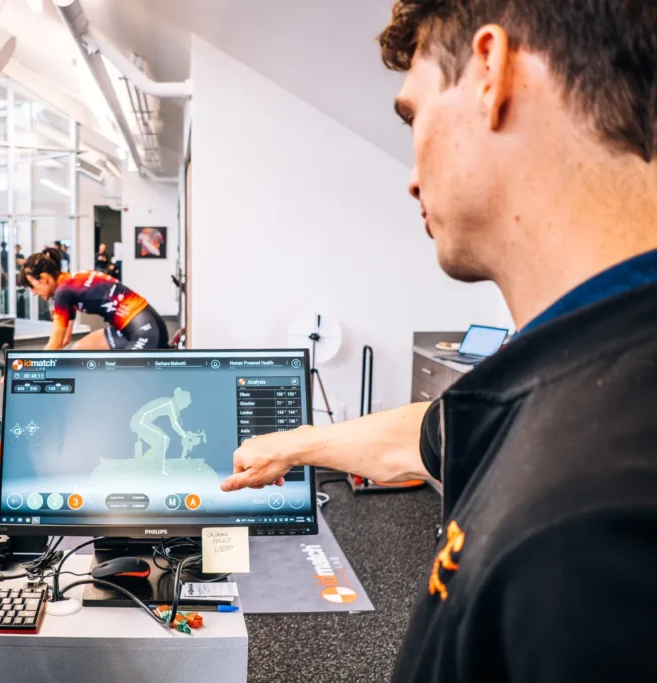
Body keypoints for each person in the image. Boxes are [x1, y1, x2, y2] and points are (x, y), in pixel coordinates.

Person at [222, 1, 657, 681]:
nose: (412, 177)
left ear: (491, 70)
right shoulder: (579, 373)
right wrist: (294, 445)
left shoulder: (588, 526)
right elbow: (434, 434)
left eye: (413, 116)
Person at [17, 246, 169, 350]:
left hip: (146, 331)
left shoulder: (63, 292)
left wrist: (21, 369)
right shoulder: (68, 284)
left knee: (125, 381)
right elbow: (64, 339)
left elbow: (54, 345)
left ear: (44, 278)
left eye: (32, 286)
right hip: (135, 328)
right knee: (79, 349)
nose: (33, 293)